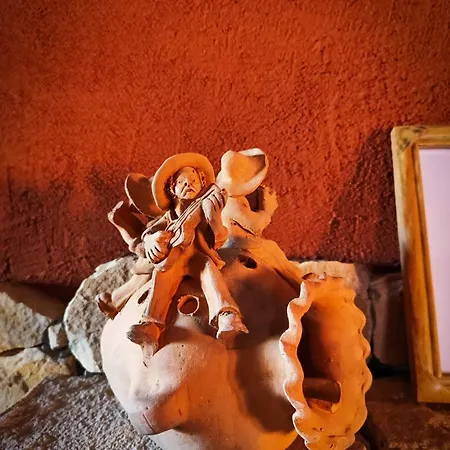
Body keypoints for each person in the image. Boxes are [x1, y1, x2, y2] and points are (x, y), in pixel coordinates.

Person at [127, 153, 248, 364]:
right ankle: (150, 326)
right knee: (162, 274)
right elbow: (147, 235)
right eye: (181, 182)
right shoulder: (168, 217)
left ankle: (226, 316)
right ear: (171, 189)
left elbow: (219, 238)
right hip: (173, 261)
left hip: (198, 258)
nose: (188, 185)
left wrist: (215, 219)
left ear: (202, 184)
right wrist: (151, 240)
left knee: (208, 271)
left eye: (193, 181)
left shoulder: (204, 207)